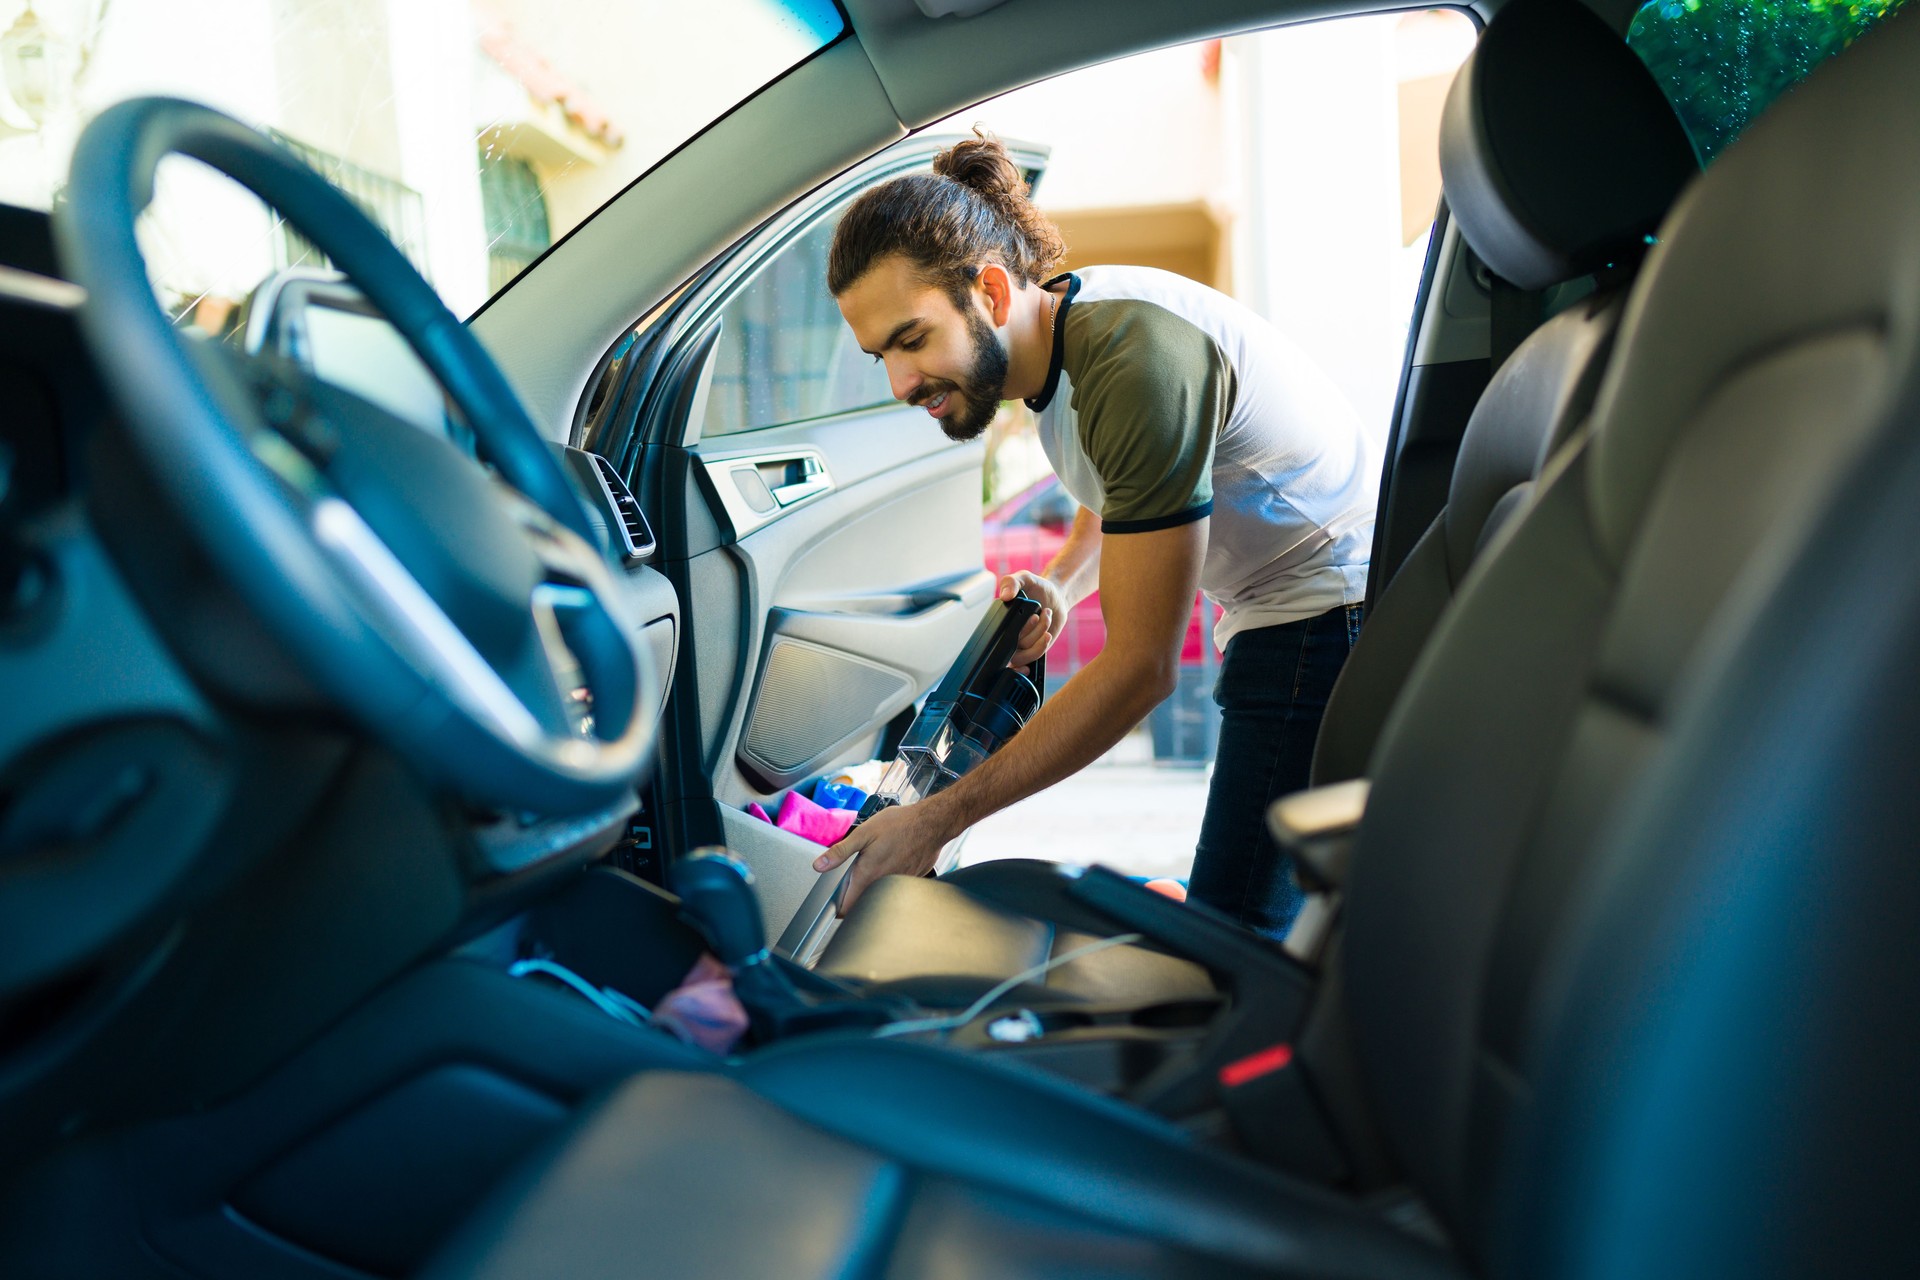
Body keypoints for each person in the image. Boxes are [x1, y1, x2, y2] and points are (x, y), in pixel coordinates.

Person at [814, 132, 1376, 936]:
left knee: (1232, 944)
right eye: (882, 357)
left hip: (1323, 618)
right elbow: (1126, 484)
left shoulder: (1133, 362)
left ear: (993, 295)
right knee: (1246, 909)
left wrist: (934, 820)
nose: (903, 382)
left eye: (912, 339)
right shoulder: (1065, 340)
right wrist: (1064, 583)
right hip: (1290, 609)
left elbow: (1140, 669)